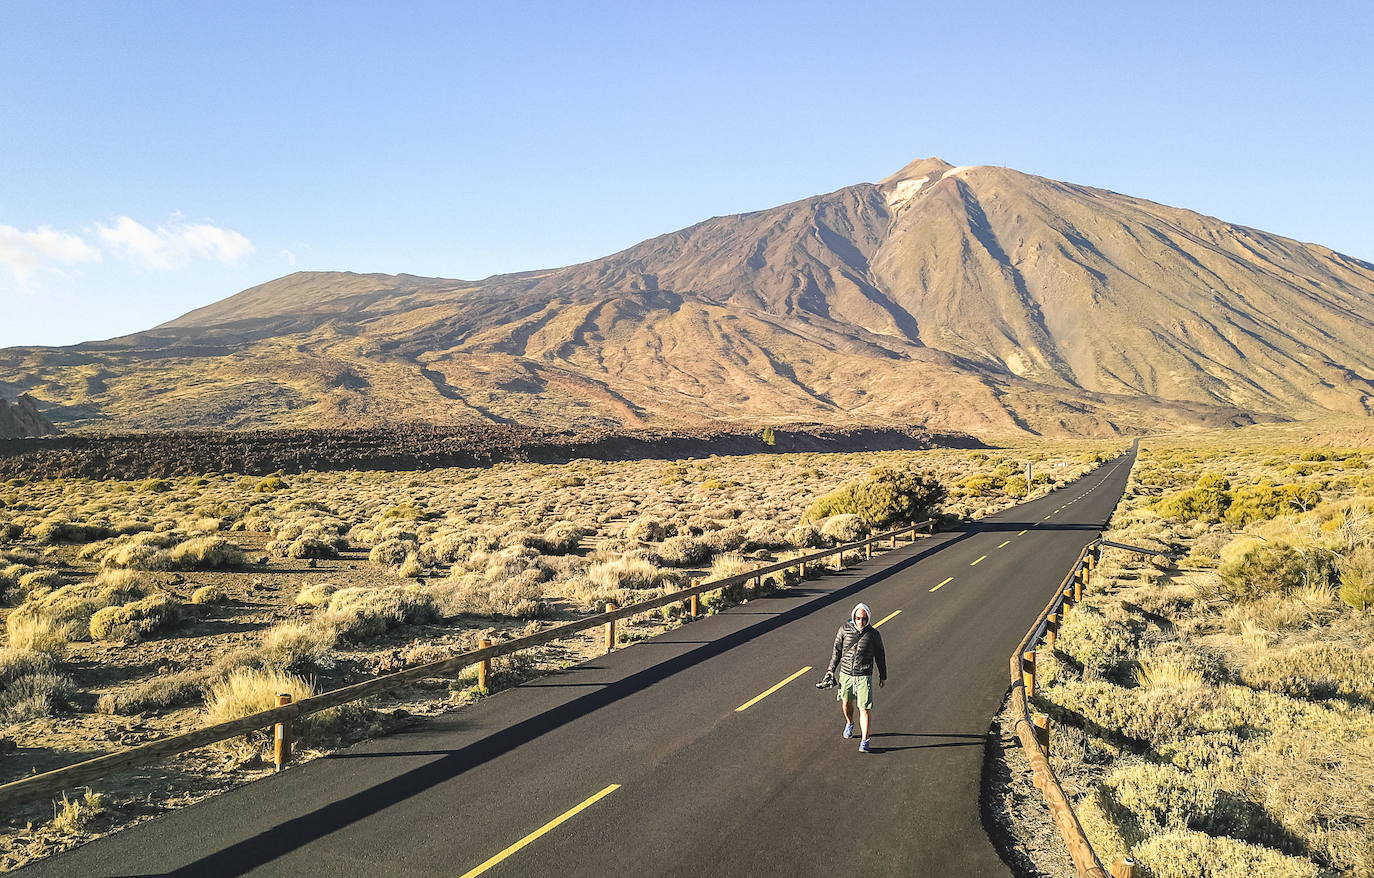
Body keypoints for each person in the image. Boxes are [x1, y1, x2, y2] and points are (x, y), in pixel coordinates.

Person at [826, 602, 887, 753]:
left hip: (864, 676)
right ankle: (850, 723)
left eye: (864, 619)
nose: (861, 622)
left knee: (864, 708)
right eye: (858, 618)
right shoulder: (844, 630)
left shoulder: (874, 634)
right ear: (853, 616)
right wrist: (830, 671)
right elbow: (837, 652)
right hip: (846, 674)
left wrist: (882, 675)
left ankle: (865, 741)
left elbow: (880, 655)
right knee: (846, 703)